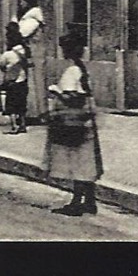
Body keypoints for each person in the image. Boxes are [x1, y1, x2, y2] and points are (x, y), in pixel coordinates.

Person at [45, 33, 103, 215]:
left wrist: (56, 92)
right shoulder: (82, 68)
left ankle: (77, 202)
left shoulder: (71, 71)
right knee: (87, 161)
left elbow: (72, 98)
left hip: (74, 121)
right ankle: (90, 201)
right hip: (86, 121)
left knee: (76, 161)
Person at [18, 0, 50, 123]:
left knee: (35, 82)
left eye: (22, 0)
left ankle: (37, 113)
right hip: (36, 52)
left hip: (35, 53)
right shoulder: (34, 16)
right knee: (37, 81)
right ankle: (38, 112)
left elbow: (22, 33)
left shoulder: (32, 18)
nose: (20, 3)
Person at [0, 21, 30, 134]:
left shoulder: (8, 54)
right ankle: (23, 124)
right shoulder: (24, 51)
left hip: (12, 82)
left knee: (11, 105)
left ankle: (14, 126)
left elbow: (1, 65)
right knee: (22, 104)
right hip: (23, 81)